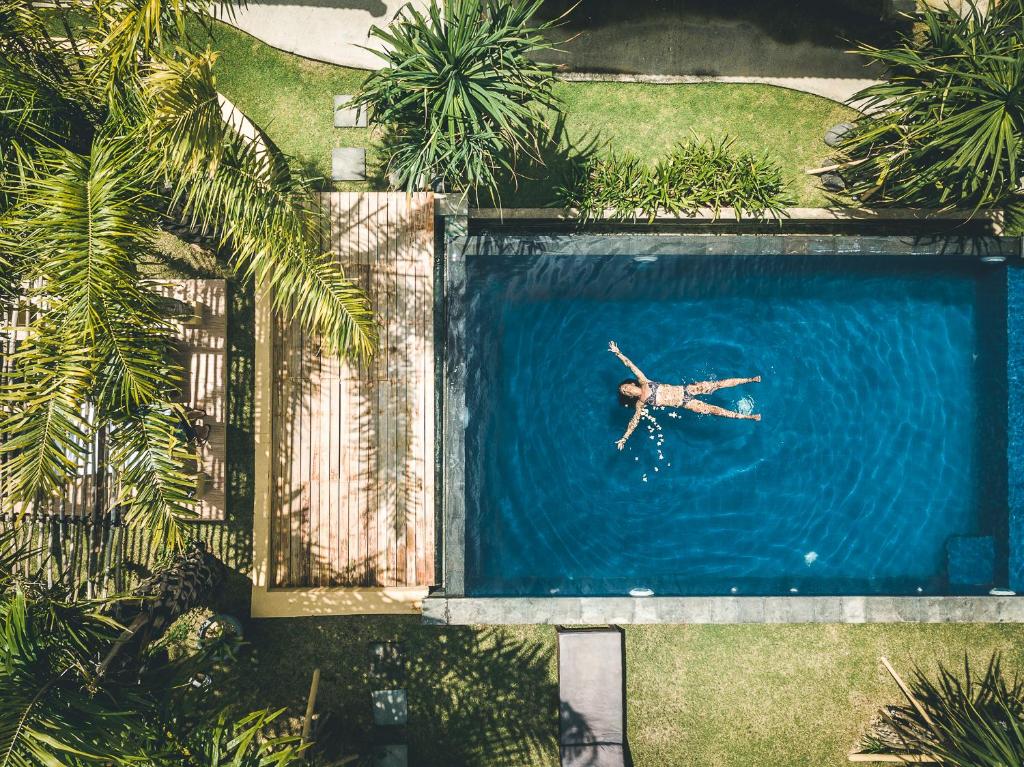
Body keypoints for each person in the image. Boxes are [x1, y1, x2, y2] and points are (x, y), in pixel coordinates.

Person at [609, 341, 761, 450]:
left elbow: (631, 365)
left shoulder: (643, 381)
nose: (626, 390)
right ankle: (749, 417)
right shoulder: (640, 403)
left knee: (718, 384)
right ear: (629, 396)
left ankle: (750, 379)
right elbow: (634, 422)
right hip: (685, 404)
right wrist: (625, 438)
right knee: (715, 410)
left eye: (626, 387)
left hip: (687, 390)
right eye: (624, 392)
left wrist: (618, 353)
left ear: (632, 384)